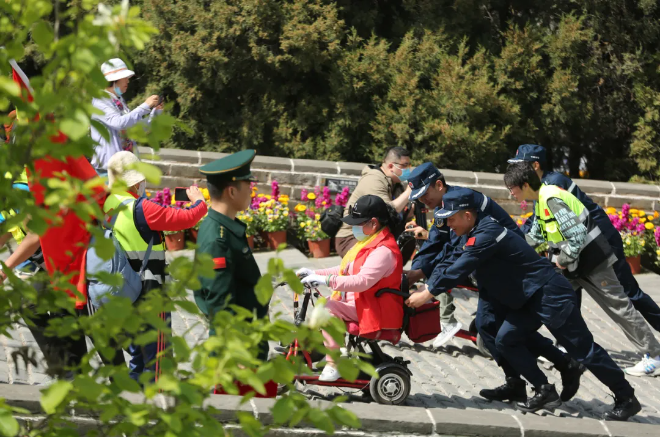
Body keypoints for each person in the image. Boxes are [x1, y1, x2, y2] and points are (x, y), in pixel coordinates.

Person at [405, 188, 641, 420]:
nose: (449, 225)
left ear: (467, 215)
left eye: (452, 219)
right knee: (506, 339)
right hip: (527, 298)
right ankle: (544, 389)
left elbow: (461, 266)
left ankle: (626, 397)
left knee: (584, 350)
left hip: (550, 295)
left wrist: (428, 293)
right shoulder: (467, 231)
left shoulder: (487, 233)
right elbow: (452, 256)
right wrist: (420, 278)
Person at [404, 164, 584, 402]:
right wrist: (414, 273)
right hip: (488, 273)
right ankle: (522, 381)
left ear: (439, 185)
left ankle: (553, 374)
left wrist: (428, 289)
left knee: (501, 331)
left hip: (509, 274)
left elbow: (459, 255)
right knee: (490, 327)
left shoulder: (464, 203)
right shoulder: (444, 208)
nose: (423, 200)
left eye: (425, 193)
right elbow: (438, 246)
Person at [504, 162, 660, 376]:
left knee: (619, 307)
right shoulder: (540, 200)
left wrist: (563, 259)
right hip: (577, 265)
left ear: (523, 185)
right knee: (548, 300)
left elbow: (576, 234)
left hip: (592, 262)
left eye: (511, 189)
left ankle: (654, 354)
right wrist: (510, 244)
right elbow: (538, 235)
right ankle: (554, 348)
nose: (511, 194)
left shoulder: (550, 198)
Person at [103, 151, 207, 380]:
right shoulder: (140, 208)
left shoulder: (107, 203)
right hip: (150, 286)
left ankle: (133, 395)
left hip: (123, 285)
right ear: (137, 180)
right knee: (157, 353)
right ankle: (155, 403)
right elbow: (185, 218)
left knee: (138, 350)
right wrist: (199, 202)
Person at [296, 195, 404, 381]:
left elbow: (361, 281)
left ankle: (334, 363)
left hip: (375, 309)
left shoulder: (383, 251)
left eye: (358, 223)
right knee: (325, 306)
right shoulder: (369, 242)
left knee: (327, 309)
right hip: (364, 303)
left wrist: (327, 280)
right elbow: (346, 269)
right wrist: (314, 273)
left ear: (374, 223)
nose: (354, 227)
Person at [194, 149, 269, 353]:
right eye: (248, 186)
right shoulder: (218, 238)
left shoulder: (225, 227)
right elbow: (220, 304)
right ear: (232, 191)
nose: (251, 192)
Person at [334, 146, 413, 257]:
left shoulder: (396, 185)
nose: (408, 169)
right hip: (352, 237)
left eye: (409, 165)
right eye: (405, 165)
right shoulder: (374, 179)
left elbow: (401, 213)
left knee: (409, 240)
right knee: (378, 257)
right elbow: (388, 211)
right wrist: (410, 190)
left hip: (374, 235)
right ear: (391, 166)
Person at [90, 58, 163, 173]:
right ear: (114, 80)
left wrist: (156, 113)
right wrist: (145, 106)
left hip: (126, 169)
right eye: (125, 78)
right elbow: (119, 123)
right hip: (108, 171)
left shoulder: (118, 101)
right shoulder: (100, 100)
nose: (128, 81)